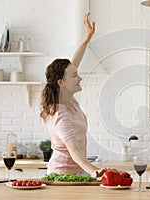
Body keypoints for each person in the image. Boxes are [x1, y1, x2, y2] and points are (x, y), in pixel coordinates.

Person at [40, 13, 106, 178]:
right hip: (60, 176)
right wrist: (94, 171)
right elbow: (74, 153)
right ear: (61, 83)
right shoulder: (60, 116)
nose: (80, 78)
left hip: (75, 174)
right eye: (75, 76)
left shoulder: (68, 98)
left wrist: (87, 38)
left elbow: (72, 65)